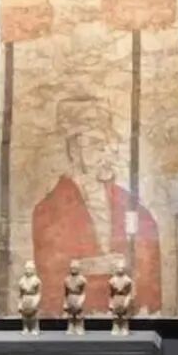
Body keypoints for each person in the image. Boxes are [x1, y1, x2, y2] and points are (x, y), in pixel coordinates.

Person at [33, 97, 161, 315]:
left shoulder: (132, 207)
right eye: (96, 145)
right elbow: (51, 275)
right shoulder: (48, 211)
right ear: (74, 150)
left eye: (108, 145)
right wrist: (99, 265)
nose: (106, 153)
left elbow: (148, 268)